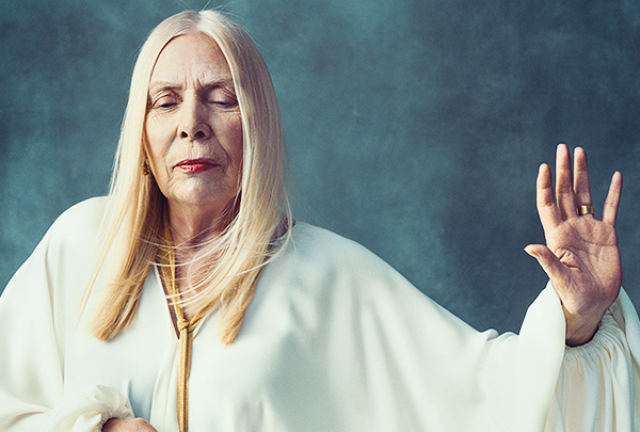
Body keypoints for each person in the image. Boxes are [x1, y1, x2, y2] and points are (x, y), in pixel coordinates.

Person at [0, 9, 638, 432]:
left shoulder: (327, 274)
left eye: (222, 99)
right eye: (165, 101)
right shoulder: (78, 249)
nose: (192, 123)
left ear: (258, 126)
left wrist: (576, 320)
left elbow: (486, 394)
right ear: (141, 132)